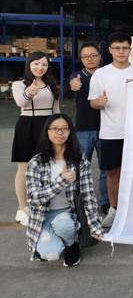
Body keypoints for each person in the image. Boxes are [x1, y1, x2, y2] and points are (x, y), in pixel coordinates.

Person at [89, 32, 133, 227]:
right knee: (112, 172)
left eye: (125, 48)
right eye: (117, 48)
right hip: (110, 132)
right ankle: (114, 209)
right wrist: (99, 102)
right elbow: (92, 102)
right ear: (110, 50)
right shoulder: (100, 74)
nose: (121, 51)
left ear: (130, 49)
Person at [26, 113, 103, 266]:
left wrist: (95, 226)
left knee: (63, 224)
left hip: (68, 213)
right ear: (47, 132)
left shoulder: (79, 160)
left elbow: (88, 196)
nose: (59, 132)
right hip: (43, 215)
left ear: (70, 132)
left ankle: (71, 243)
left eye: (64, 129)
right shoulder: (36, 162)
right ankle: (58, 238)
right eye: (54, 128)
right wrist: (62, 180)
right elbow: (34, 199)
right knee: (50, 254)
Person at [11, 51, 60, 226]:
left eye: (44, 64)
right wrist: (29, 92)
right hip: (27, 125)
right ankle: (22, 208)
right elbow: (20, 102)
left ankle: (44, 204)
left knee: (48, 167)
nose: (40, 67)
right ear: (29, 65)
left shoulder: (52, 85)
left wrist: (60, 128)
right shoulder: (19, 84)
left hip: (48, 126)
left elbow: (56, 110)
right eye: (36, 64)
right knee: (24, 167)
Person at [69, 43, 108, 215]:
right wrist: (74, 84)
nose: (90, 59)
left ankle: (105, 202)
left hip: (107, 128)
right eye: (85, 56)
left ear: (100, 56)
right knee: (81, 168)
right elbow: (73, 84)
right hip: (83, 129)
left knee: (106, 168)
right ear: (81, 59)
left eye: (93, 55)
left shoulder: (107, 75)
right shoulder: (77, 75)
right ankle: (80, 201)